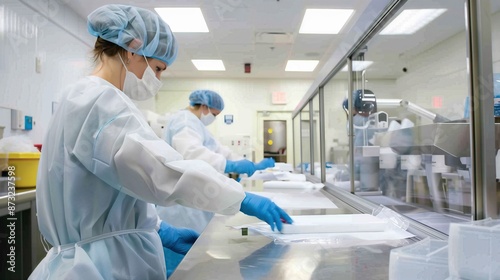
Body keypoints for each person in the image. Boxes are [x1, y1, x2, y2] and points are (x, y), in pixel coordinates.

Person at [29, 4, 292, 280]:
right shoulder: (99, 101)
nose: (157, 79)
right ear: (131, 49)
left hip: (98, 257)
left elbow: (119, 183)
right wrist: (239, 197)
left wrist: (159, 228)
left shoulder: (84, 96)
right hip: (101, 266)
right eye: (157, 68)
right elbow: (159, 171)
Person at [157, 89, 276, 274]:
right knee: (180, 266)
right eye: (214, 114)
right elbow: (191, 153)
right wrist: (229, 165)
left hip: (193, 203)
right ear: (204, 106)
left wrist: (247, 164)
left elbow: (220, 151)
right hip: (181, 208)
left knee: (191, 263)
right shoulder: (185, 120)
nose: (213, 118)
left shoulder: (198, 126)